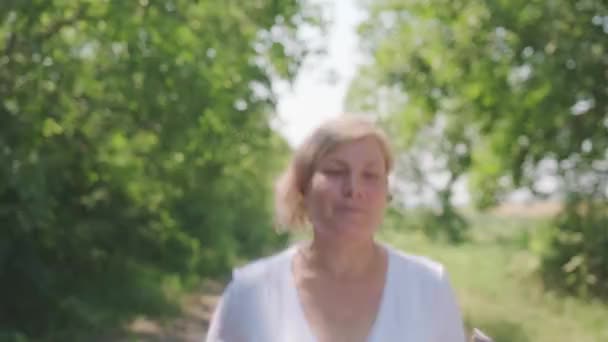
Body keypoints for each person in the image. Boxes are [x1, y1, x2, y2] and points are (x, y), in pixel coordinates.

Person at [205, 116, 466, 342]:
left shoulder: (429, 287)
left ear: (387, 191)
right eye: (335, 171)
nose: (354, 189)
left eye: (370, 175)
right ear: (303, 187)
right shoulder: (251, 291)